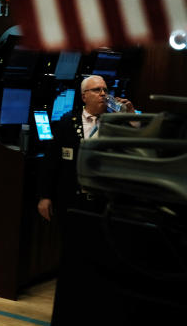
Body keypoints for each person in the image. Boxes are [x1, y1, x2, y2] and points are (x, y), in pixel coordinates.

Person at [37, 74, 134, 221]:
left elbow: (133, 150)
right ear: (84, 97)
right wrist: (45, 196)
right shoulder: (68, 121)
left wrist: (130, 117)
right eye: (97, 90)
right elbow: (51, 160)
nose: (103, 94)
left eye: (105, 90)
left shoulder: (116, 123)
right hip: (73, 199)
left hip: (105, 202)